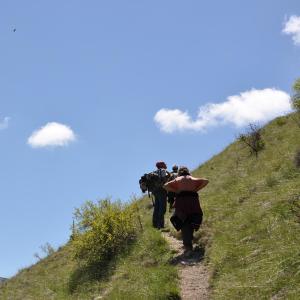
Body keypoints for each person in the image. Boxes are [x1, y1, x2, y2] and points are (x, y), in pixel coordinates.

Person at [163, 166, 209, 255]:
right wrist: (196, 189)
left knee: (183, 222)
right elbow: (206, 181)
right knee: (192, 220)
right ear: (188, 172)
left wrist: (176, 190)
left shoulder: (178, 179)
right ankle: (190, 242)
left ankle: (188, 247)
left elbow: (165, 186)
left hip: (182, 202)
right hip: (193, 202)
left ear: (179, 173)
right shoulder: (192, 178)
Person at [151, 161, 170, 229]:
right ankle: (160, 225)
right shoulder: (163, 170)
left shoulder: (154, 172)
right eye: (164, 163)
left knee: (157, 208)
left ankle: (155, 224)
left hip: (155, 192)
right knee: (162, 208)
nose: (166, 164)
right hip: (162, 191)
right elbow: (165, 180)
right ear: (162, 165)